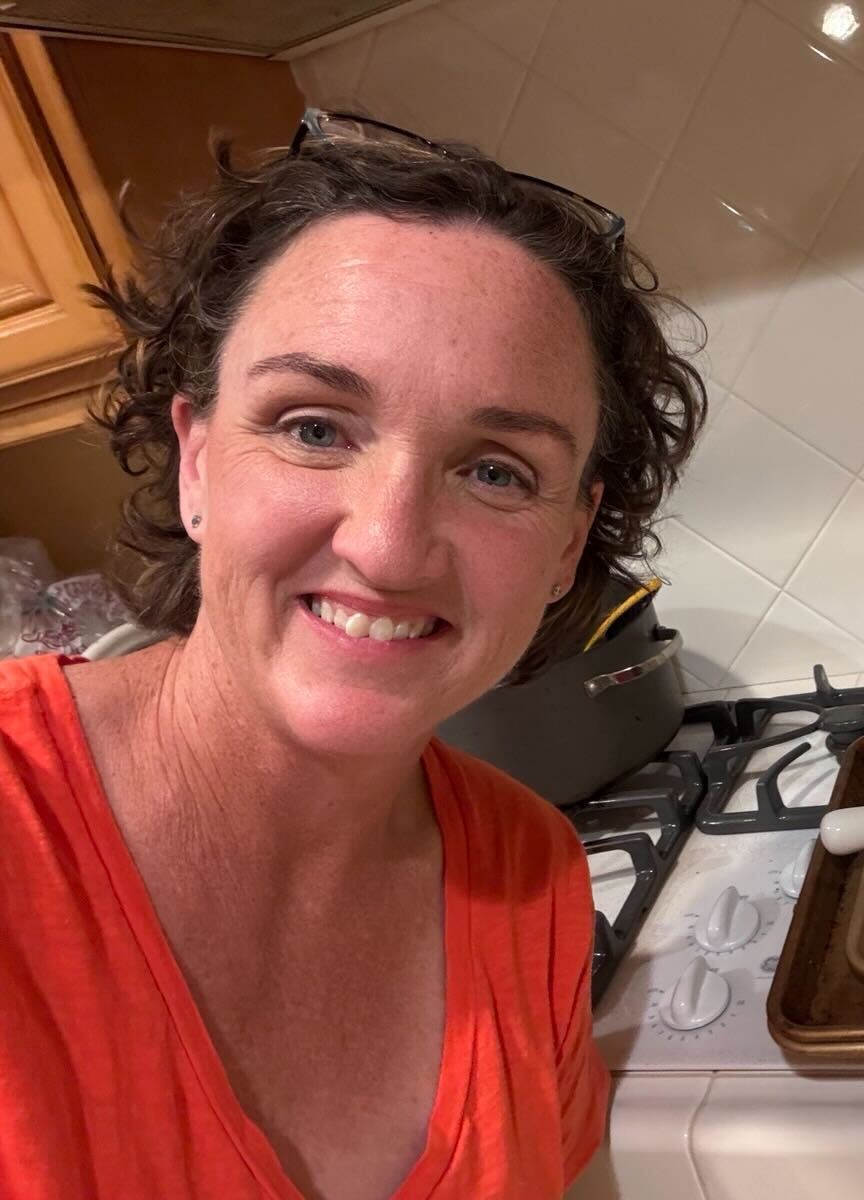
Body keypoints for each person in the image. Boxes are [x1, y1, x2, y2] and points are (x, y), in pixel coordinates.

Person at [0, 110, 705, 1200]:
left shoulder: (528, 877)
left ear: (568, 545)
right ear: (196, 462)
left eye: (497, 472)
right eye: (314, 426)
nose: (385, 545)